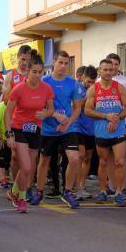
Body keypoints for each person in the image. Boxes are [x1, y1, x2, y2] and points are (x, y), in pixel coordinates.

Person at [4, 50, 54, 213]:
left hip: (35, 130)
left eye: (41, 72)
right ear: (28, 70)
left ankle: (13, 192)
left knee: (29, 166)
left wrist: (45, 113)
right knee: (25, 167)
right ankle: (22, 198)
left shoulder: (46, 88)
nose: (37, 75)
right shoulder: (18, 89)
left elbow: (51, 110)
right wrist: (8, 134)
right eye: (34, 72)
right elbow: (8, 113)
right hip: (19, 129)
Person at [33, 51, 83, 208]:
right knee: (44, 161)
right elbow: (38, 105)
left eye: (66, 63)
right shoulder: (44, 81)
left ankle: (67, 191)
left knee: (75, 158)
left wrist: (68, 122)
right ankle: (39, 191)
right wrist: (54, 115)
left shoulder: (73, 83)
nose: (63, 66)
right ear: (53, 62)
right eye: (60, 62)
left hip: (68, 128)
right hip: (48, 129)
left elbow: (77, 108)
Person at [86, 58, 126, 206]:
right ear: (100, 71)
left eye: (110, 70)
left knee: (120, 161)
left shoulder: (119, 87)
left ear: (114, 70)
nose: (107, 72)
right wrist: (106, 116)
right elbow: (87, 110)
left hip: (117, 130)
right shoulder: (94, 88)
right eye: (104, 70)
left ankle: (118, 192)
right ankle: (103, 190)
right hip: (101, 131)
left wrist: (117, 118)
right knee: (103, 162)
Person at [74, 66, 98, 199]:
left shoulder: (96, 89)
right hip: (77, 126)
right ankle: (77, 187)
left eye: (93, 82)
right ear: (83, 77)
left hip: (91, 127)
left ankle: (82, 186)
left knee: (88, 158)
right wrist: (88, 95)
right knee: (80, 155)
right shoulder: (77, 87)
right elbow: (76, 106)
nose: (90, 85)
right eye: (88, 82)